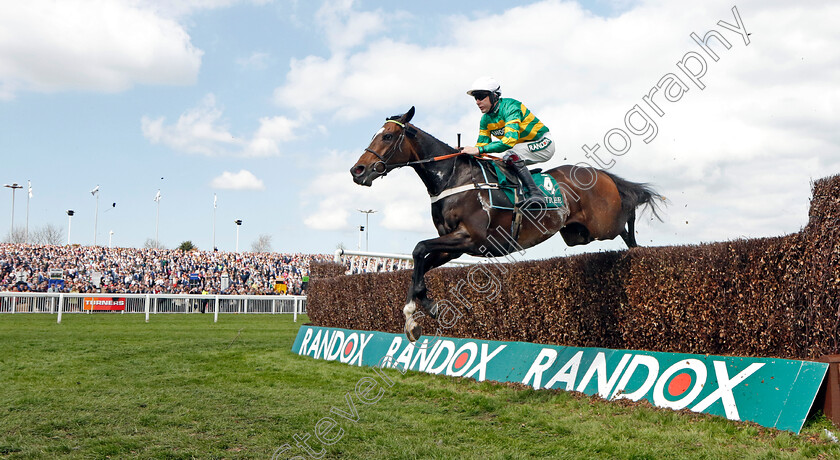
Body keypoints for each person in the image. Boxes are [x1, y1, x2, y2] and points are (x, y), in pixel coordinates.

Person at [459, 76, 555, 208]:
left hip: (542, 143)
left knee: (509, 154)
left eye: (481, 96)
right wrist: (464, 152)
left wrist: (479, 150)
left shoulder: (511, 107)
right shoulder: (485, 120)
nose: (477, 101)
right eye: (475, 97)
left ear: (494, 96)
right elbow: (481, 147)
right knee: (492, 159)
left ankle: (536, 194)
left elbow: (509, 141)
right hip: (520, 147)